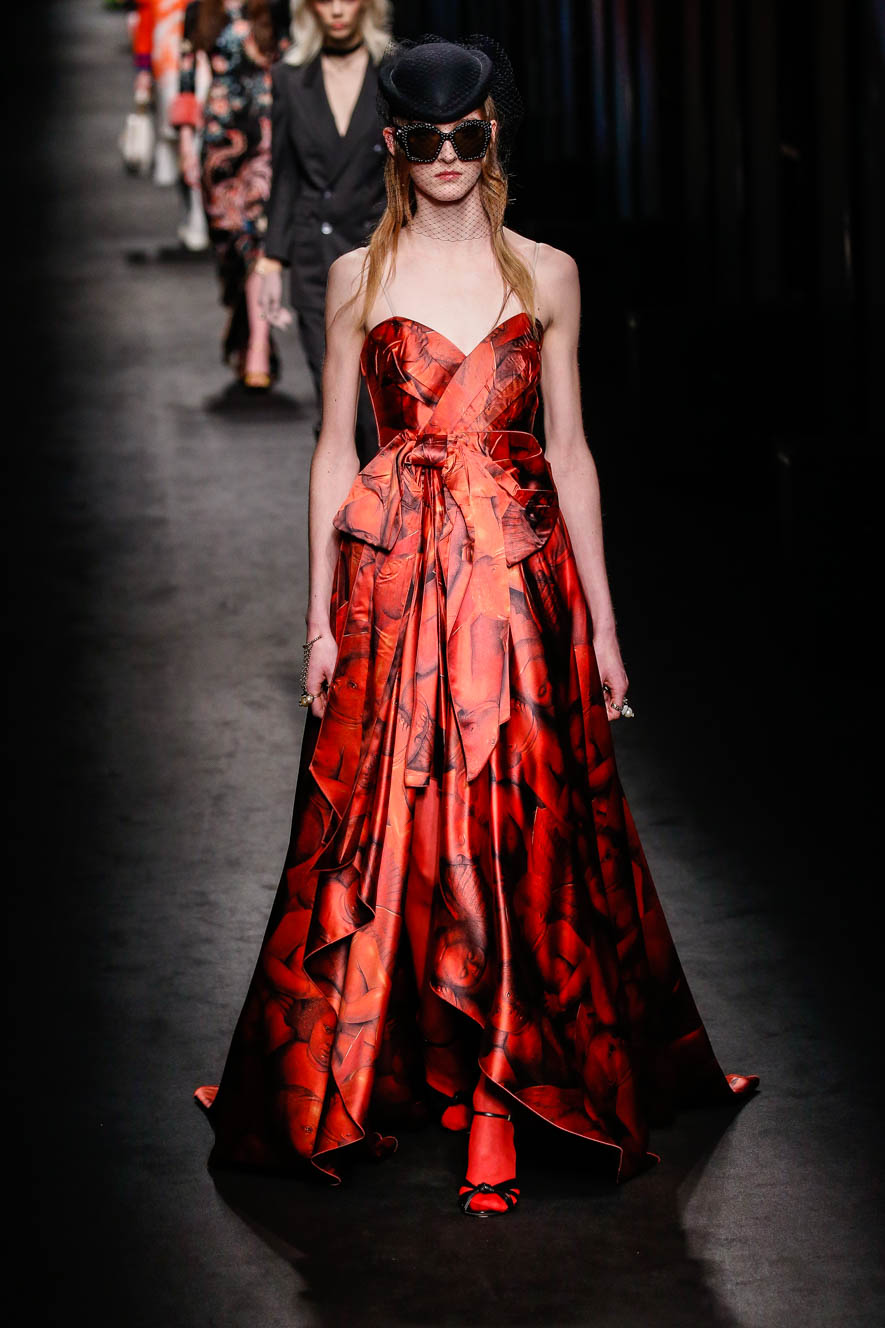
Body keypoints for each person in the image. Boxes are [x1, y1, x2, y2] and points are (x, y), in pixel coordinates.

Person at [195, 35, 758, 1217]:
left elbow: (574, 454)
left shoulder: (548, 274)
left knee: (521, 826)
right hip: (396, 586)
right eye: (424, 139)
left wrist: (607, 626)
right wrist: (316, 618)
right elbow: (331, 452)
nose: (446, 156)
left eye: (464, 136)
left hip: (515, 586)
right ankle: (400, 1060)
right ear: (396, 146)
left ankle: (502, 1082)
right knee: (384, 828)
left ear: (490, 136)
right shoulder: (358, 277)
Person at [258, 0, 392, 464]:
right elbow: (285, 175)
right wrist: (271, 260)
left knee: (380, 412)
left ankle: (382, 505)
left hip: (381, 259)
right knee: (337, 409)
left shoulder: (392, 73)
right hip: (317, 263)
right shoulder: (290, 78)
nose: (336, 9)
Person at [170, 1, 292, 389]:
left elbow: (291, 68)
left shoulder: (274, 7)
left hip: (265, 141)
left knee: (256, 243)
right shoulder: (199, 10)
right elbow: (186, 75)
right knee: (228, 250)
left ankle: (258, 348)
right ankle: (245, 329)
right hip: (219, 143)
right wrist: (186, 145)